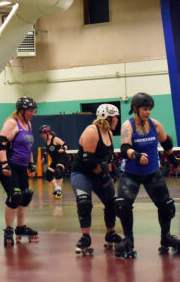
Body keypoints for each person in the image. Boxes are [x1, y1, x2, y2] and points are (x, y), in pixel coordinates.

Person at [115, 93, 180, 258]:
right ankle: (129, 240)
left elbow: (166, 142)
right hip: (130, 174)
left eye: (150, 109)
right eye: (145, 109)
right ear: (135, 109)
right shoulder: (127, 125)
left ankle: (166, 238)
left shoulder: (155, 124)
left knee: (167, 207)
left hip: (152, 172)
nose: (148, 113)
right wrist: (136, 155)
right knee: (123, 206)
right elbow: (124, 149)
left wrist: (174, 161)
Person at [70, 103, 122, 255]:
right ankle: (85, 237)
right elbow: (89, 161)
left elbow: (107, 158)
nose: (117, 120)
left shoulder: (109, 133)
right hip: (82, 173)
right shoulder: (92, 131)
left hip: (98, 172)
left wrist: (111, 174)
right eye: (115, 117)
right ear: (107, 118)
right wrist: (104, 175)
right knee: (84, 203)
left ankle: (110, 234)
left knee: (112, 203)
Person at [0, 96, 38, 247]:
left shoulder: (28, 124)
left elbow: (28, 147)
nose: (33, 113)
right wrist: (5, 165)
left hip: (21, 166)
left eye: (33, 110)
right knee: (15, 195)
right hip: (8, 164)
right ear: (21, 111)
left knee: (26, 194)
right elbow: (0, 144)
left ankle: (20, 227)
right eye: (30, 111)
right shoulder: (11, 123)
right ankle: (8, 230)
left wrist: (31, 164)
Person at [39, 124, 69, 199]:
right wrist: (43, 157)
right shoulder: (46, 140)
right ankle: (56, 188)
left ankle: (59, 190)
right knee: (48, 175)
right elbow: (47, 150)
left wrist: (63, 149)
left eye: (42, 134)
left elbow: (66, 144)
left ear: (47, 133)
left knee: (58, 171)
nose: (41, 136)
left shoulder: (55, 139)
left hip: (62, 158)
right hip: (55, 160)